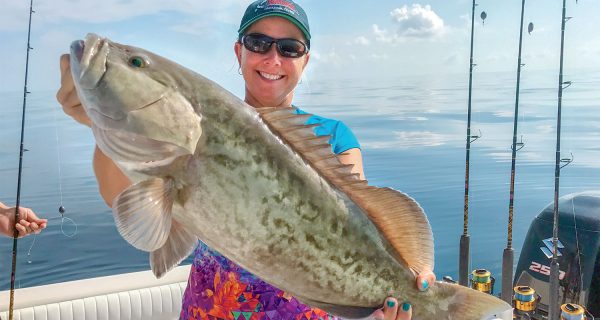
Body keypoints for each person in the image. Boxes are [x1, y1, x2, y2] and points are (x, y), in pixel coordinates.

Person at [56, 1, 435, 319]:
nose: (273, 57)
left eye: (289, 48)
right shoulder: (168, 148)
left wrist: (412, 281)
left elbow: (362, 225)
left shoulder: (333, 138)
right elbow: (116, 195)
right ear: (239, 52)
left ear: (305, 61)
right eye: (259, 42)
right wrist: (96, 122)